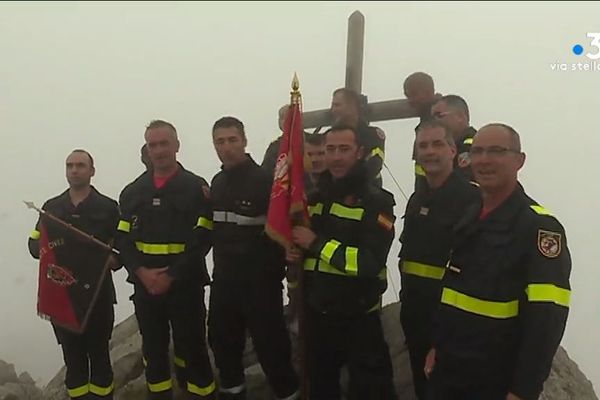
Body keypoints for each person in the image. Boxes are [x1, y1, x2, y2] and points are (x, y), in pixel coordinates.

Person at [426, 124, 572, 400]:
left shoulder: (540, 227)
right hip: (448, 373)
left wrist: (523, 390)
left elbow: (547, 319)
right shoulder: (470, 215)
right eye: (477, 151)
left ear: (519, 160)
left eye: (496, 151)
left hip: (493, 381)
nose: (483, 160)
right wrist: (436, 347)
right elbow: (452, 292)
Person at [288, 125, 397, 399]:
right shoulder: (312, 200)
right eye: (330, 149)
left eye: (344, 149)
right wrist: (292, 251)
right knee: (321, 389)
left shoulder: (377, 203)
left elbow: (368, 262)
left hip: (358, 319)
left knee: (371, 391)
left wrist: (316, 244)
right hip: (317, 317)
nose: (335, 157)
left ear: (360, 152)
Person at [116, 120, 215, 399]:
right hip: (146, 288)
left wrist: (171, 275)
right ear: (146, 149)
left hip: (185, 285)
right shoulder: (132, 192)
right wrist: (143, 273)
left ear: (177, 146)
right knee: (154, 351)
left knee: (193, 349)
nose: (159, 151)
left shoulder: (196, 188)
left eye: (164, 144)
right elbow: (122, 239)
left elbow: (203, 238)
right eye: (153, 145)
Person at [207, 116, 299, 400]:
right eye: (220, 142)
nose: (227, 147)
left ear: (245, 142)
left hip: (260, 285)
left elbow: (284, 229)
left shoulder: (264, 182)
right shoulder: (217, 182)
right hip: (224, 282)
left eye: (232, 140)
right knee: (223, 347)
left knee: (272, 351)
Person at [28, 149, 119, 399]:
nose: (75, 170)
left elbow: (122, 248)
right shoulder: (51, 208)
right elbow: (34, 245)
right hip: (62, 297)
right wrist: (45, 248)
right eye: (70, 165)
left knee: (100, 358)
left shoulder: (109, 208)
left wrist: (114, 260)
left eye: (80, 165)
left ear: (92, 171)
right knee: (74, 360)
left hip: (97, 297)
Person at [398, 120, 479, 400]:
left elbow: (470, 272)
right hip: (415, 319)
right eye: (423, 146)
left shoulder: (471, 198)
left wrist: (444, 338)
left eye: (437, 144)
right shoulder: (418, 197)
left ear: (453, 151)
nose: (429, 152)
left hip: (449, 327)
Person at [330, 88, 386, 187]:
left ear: (352, 107)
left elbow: (375, 163)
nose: (333, 110)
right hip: (335, 191)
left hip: (367, 192)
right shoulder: (330, 136)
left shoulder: (373, 135)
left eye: (337, 105)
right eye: (332, 105)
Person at [403, 72, 442, 190]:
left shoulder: (440, 123)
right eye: (407, 96)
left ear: (429, 92)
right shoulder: (424, 124)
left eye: (414, 94)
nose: (410, 100)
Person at [430, 95, 476, 181]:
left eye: (439, 115)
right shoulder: (436, 148)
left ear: (460, 117)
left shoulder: (475, 144)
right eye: (432, 118)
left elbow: (462, 181)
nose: (434, 121)